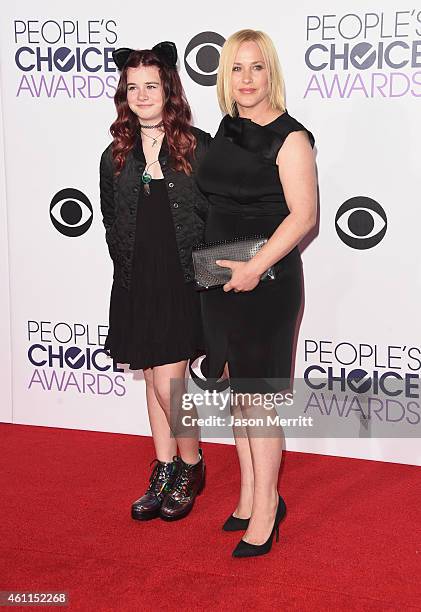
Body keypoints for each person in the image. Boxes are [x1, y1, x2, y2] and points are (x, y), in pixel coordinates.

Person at [196, 29, 317, 557]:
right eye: (237, 69)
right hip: (219, 278)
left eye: (256, 68)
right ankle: (249, 494)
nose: (246, 79)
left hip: (266, 283)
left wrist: (255, 267)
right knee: (239, 398)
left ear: (272, 72)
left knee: (259, 401)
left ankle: (267, 510)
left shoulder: (291, 137)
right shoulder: (225, 130)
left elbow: (304, 215)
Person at [99, 42, 210, 522]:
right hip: (134, 280)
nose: (143, 94)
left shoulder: (196, 146)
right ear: (125, 94)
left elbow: (216, 216)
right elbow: (109, 219)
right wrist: (127, 269)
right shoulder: (116, 153)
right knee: (151, 377)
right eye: (133, 87)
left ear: (169, 89)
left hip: (182, 279)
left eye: (152, 85)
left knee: (171, 384)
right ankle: (163, 467)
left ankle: (192, 464)